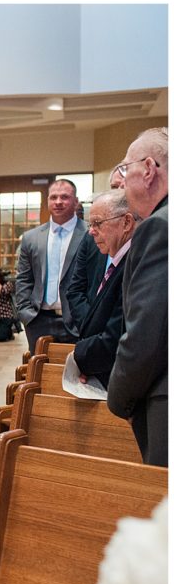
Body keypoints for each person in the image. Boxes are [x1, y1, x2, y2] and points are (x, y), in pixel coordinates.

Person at [108, 127, 168, 468]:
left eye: (124, 168)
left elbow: (147, 334)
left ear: (148, 170)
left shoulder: (160, 227)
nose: (119, 181)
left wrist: (118, 399)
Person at [71, 190, 137, 388]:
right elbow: (75, 290)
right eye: (90, 224)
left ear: (126, 222)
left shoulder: (133, 263)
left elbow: (119, 334)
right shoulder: (118, 259)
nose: (91, 231)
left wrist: (79, 357)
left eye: (98, 223)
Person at [14, 179, 88, 352]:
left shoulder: (89, 234)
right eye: (53, 197)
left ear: (76, 201)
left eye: (65, 197)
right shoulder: (31, 238)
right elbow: (24, 279)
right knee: (38, 368)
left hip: (77, 322)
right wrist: (25, 313)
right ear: (47, 201)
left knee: (75, 369)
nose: (58, 202)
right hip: (38, 321)